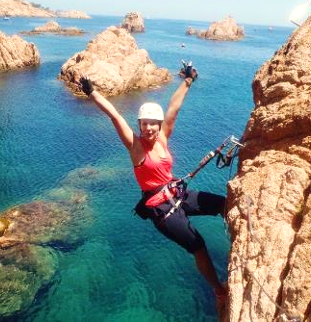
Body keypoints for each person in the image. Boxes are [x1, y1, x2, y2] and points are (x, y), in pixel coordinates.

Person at [80, 65, 228, 308]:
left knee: (224, 204)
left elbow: (174, 108)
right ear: (139, 125)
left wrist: (188, 80)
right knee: (199, 246)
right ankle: (219, 290)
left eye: (153, 124)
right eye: (144, 123)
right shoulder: (135, 147)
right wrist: (93, 93)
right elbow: (115, 116)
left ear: (159, 125)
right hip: (161, 209)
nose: (148, 128)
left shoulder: (163, 138)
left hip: (177, 193)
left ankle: (237, 237)